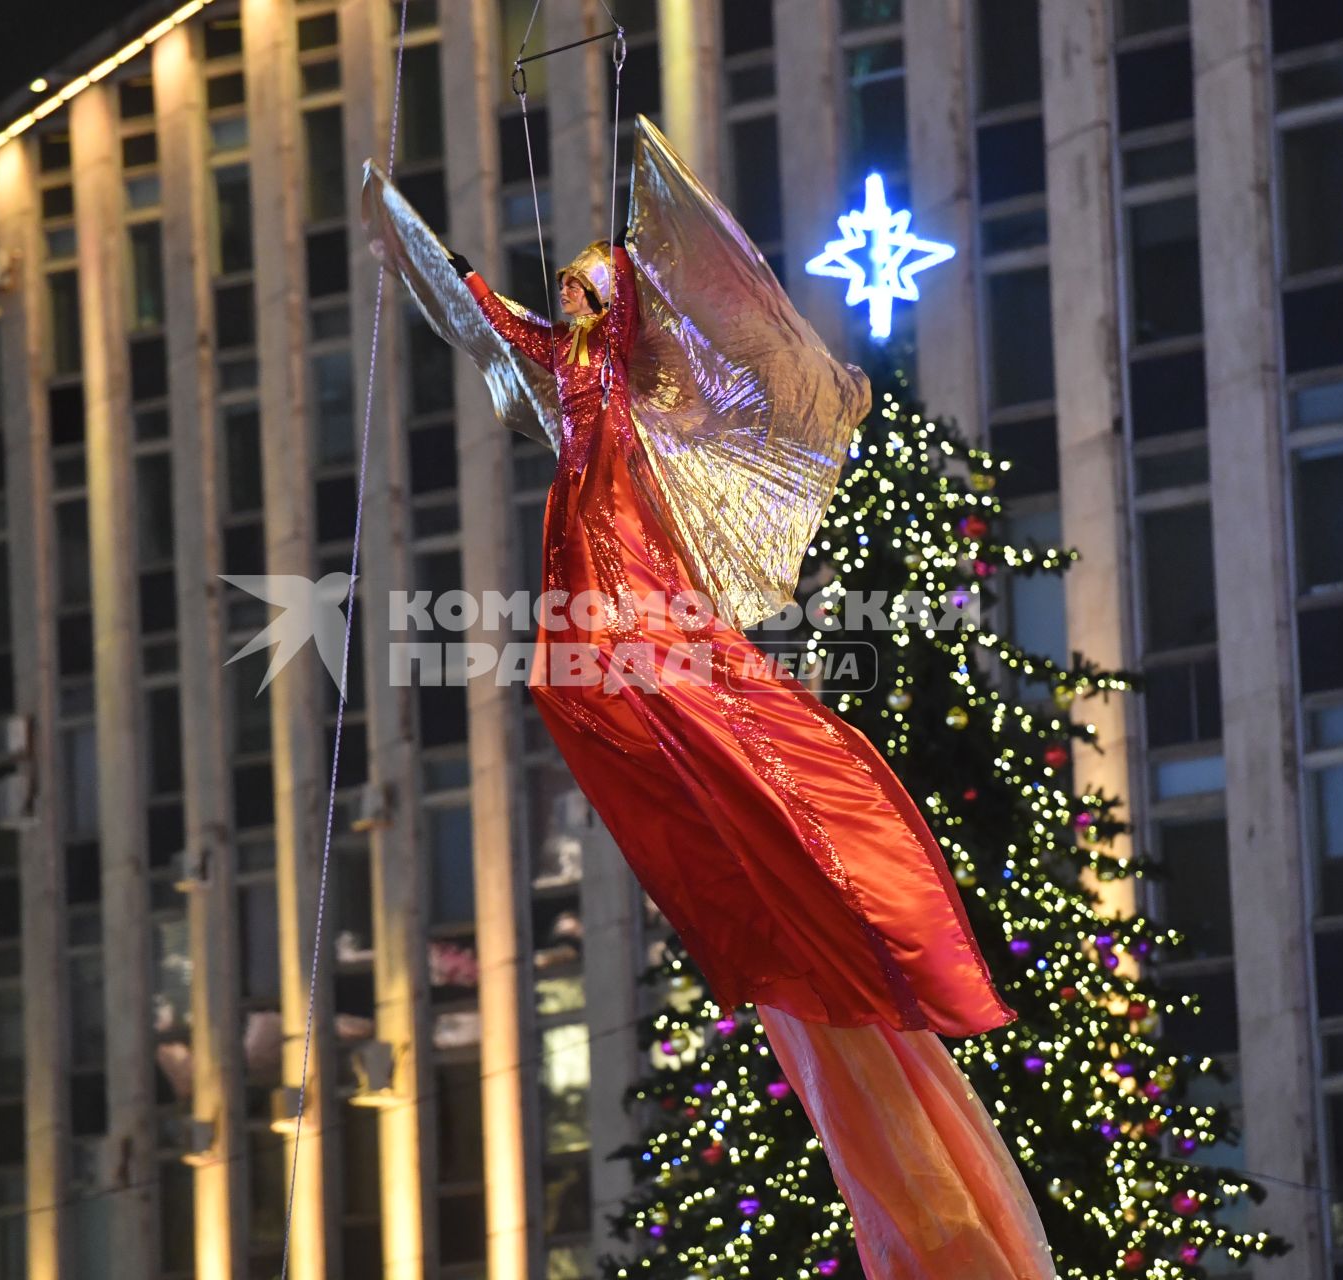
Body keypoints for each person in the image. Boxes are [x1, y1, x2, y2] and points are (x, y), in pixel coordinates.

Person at [364, 115, 1056, 1279]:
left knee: (641, 665)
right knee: (571, 672)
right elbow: (507, 331)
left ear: (624, 303)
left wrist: (640, 262)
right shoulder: (568, 361)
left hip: (630, 543)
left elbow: (694, 350)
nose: (579, 301)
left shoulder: (643, 382)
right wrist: (434, 258)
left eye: (595, 287)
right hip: (579, 545)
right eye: (576, 290)